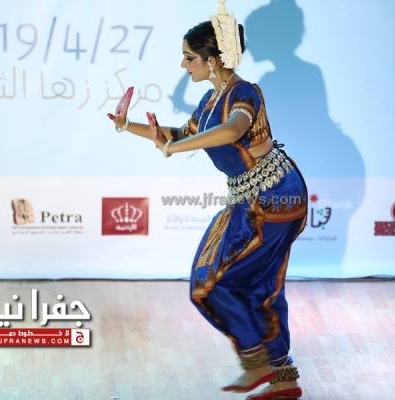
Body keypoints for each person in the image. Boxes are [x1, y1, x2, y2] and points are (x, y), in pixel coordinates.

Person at [107, 1, 307, 398]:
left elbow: (232, 131)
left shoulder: (244, 93)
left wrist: (176, 148)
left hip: (274, 198)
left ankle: (258, 361)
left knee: (212, 283)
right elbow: (179, 135)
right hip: (256, 199)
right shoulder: (211, 100)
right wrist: (128, 126)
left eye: (189, 57)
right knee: (260, 285)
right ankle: (283, 378)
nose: (184, 65)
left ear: (212, 60)